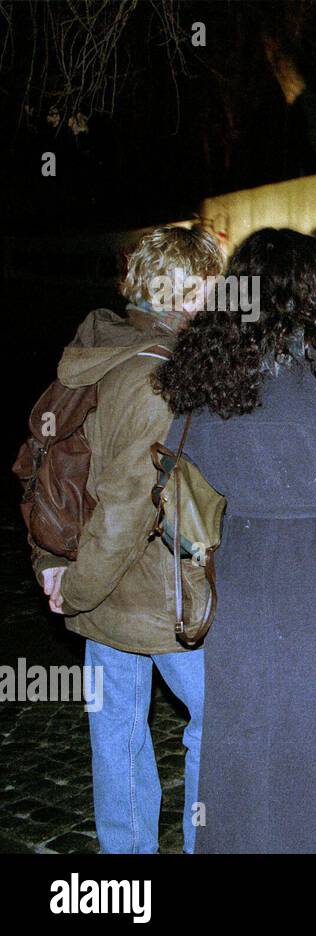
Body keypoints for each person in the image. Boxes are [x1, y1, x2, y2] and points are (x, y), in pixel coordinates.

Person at [152, 227, 316, 853]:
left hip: (239, 576)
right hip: (315, 583)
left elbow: (185, 467)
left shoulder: (208, 369)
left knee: (242, 746)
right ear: (308, 287)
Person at [33, 226, 224, 853]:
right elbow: (124, 503)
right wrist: (79, 589)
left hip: (98, 583)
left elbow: (52, 463)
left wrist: (53, 566)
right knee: (220, 723)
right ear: (187, 292)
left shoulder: (101, 348)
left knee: (115, 733)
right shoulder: (159, 376)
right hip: (150, 591)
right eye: (213, 289)